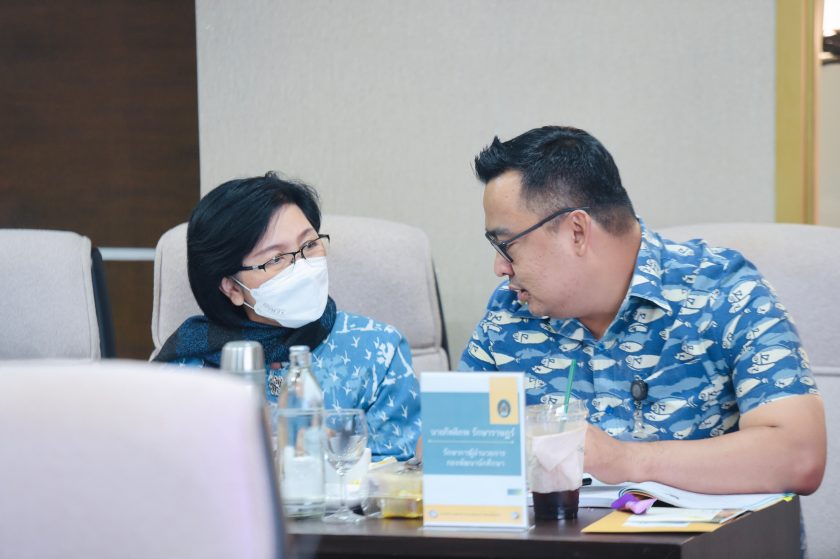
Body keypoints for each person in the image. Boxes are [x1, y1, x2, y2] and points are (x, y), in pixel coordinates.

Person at [459, 125, 826, 496]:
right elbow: (450, 451)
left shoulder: (723, 292)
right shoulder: (510, 313)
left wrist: (627, 461)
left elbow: (799, 457)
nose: (500, 267)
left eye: (506, 245)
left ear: (576, 231)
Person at [155, 172, 420, 461]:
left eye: (309, 245)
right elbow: (164, 468)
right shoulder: (188, 366)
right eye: (276, 259)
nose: (303, 267)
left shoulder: (378, 350)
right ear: (232, 287)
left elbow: (399, 471)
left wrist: (329, 458)